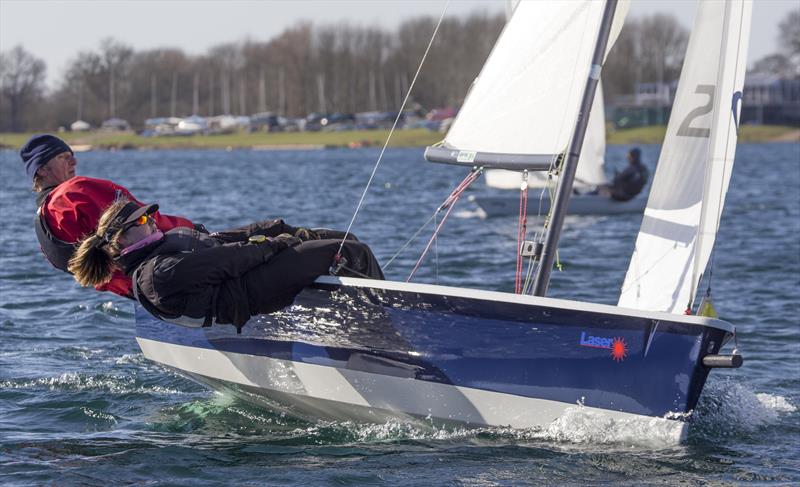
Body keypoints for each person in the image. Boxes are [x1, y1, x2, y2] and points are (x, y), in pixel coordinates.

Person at [68, 199, 385, 331]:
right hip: (248, 292)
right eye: (142, 220)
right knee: (352, 252)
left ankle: (349, 323)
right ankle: (383, 328)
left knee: (341, 237)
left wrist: (278, 228)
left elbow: (221, 239)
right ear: (121, 238)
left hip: (252, 271)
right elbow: (227, 261)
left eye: (150, 216)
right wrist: (279, 244)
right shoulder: (156, 275)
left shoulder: (165, 243)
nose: (151, 222)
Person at [20, 134, 198, 298]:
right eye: (63, 157)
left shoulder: (42, 221)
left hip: (140, 292)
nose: (74, 161)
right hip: (169, 275)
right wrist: (195, 231)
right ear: (42, 169)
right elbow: (144, 221)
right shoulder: (73, 192)